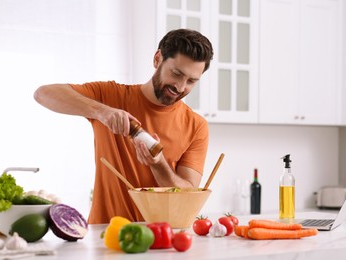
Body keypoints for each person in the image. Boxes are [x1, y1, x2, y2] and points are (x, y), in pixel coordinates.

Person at [34, 29, 214, 224]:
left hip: (162, 238)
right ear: (157, 59)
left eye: (191, 81)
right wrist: (102, 112)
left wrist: (158, 164)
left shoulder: (196, 126)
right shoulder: (110, 96)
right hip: (106, 235)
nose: (180, 87)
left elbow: (187, 195)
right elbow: (43, 94)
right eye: (176, 74)